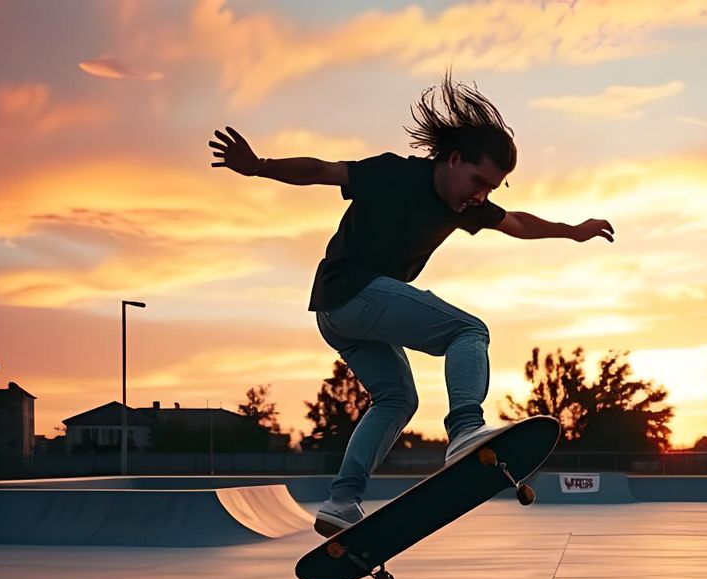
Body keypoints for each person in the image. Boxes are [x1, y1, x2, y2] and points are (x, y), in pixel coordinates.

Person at [210, 75, 614, 535]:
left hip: (337, 316)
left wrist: (572, 230)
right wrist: (258, 165)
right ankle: (465, 430)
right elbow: (323, 171)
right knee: (468, 332)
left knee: (397, 398)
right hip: (354, 291)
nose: (480, 195)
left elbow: (517, 222)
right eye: (478, 180)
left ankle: (341, 501)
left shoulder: (466, 208)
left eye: (491, 188)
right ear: (453, 158)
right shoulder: (394, 172)